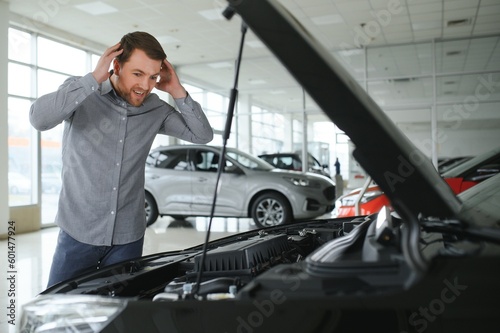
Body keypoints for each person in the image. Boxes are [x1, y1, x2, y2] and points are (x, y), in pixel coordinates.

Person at [29, 31, 214, 288]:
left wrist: (176, 90)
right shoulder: (82, 94)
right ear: (116, 66)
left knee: (119, 319)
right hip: (78, 234)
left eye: (153, 77)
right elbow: (39, 119)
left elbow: (202, 135)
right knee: (57, 315)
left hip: (128, 239)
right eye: (137, 74)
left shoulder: (155, 109)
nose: (145, 85)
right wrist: (93, 79)